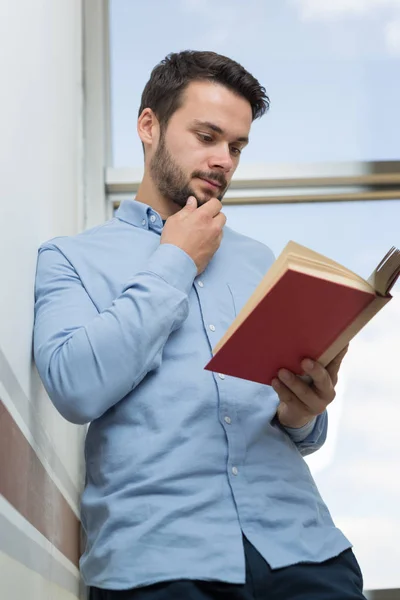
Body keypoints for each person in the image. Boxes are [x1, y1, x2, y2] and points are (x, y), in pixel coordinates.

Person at [33, 50, 365, 599]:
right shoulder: (70, 259)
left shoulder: (262, 262)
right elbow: (75, 388)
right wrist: (176, 261)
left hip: (308, 555)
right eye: (207, 136)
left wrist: (303, 412)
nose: (224, 161)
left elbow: (300, 431)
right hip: (158, 565)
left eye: (236, 146)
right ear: (149, 126)